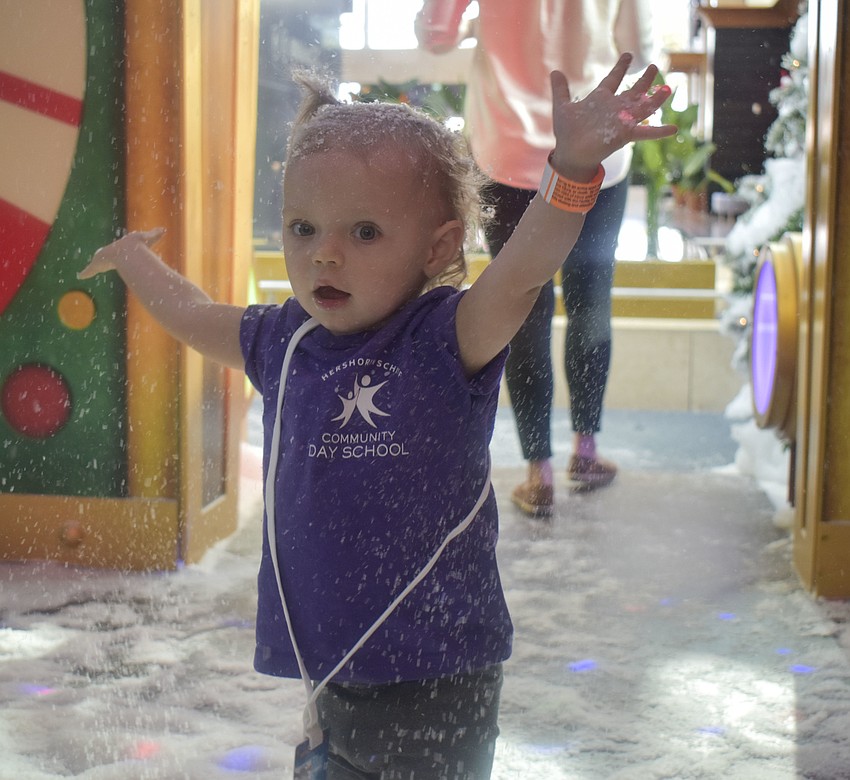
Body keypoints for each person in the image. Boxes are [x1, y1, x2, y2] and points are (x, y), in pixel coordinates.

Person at [79, 59, 672, 779]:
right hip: (330, 669)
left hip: (439, 671)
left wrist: (572, 167)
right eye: (303, 227)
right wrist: (137, 263)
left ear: (439, 247)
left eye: (364, 232)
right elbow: (194, 316)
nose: (324, 252)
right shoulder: (285, 342)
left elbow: (522, 270)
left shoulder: (448, 338)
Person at [416, 0, 657, 518]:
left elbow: (435, 33)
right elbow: (638, 52)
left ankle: (537, 472)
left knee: (522, 308)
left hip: (507, 152)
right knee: (591, 300)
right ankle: (585, 452)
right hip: (597, 148)